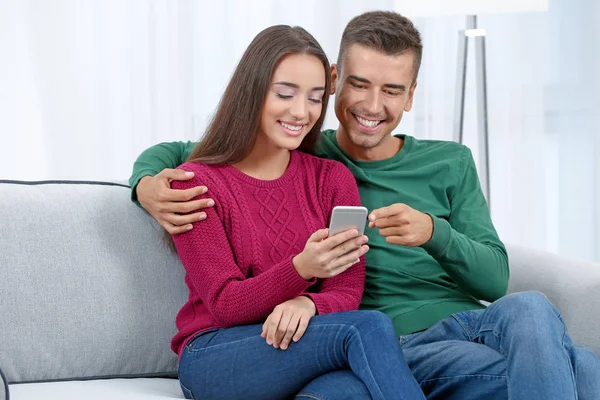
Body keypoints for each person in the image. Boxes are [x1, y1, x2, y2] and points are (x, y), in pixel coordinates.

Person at [130, 11, 600, 400]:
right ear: (337, 82)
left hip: (451, 327)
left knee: (533, 309)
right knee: (581, 368)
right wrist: (145, 184)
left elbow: (495, 281)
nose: (373, 106)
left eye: (392, 90)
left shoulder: (430, 164)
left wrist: (434, 233)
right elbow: (207, 151)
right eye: (359, 85)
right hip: (372, 340)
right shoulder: (293, 152)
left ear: (411, 95)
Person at [161, 24, 426, 400]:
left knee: (347, 392)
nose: (301, 113)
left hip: (298, 346)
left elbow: (347, 289)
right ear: (252, 93)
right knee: (366, 328)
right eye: (285, 94)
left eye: (316, 98)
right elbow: (225, 305)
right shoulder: (195, 186)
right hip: (215, 355)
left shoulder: (332, 179)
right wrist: (302, 270)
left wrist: (308, 301)